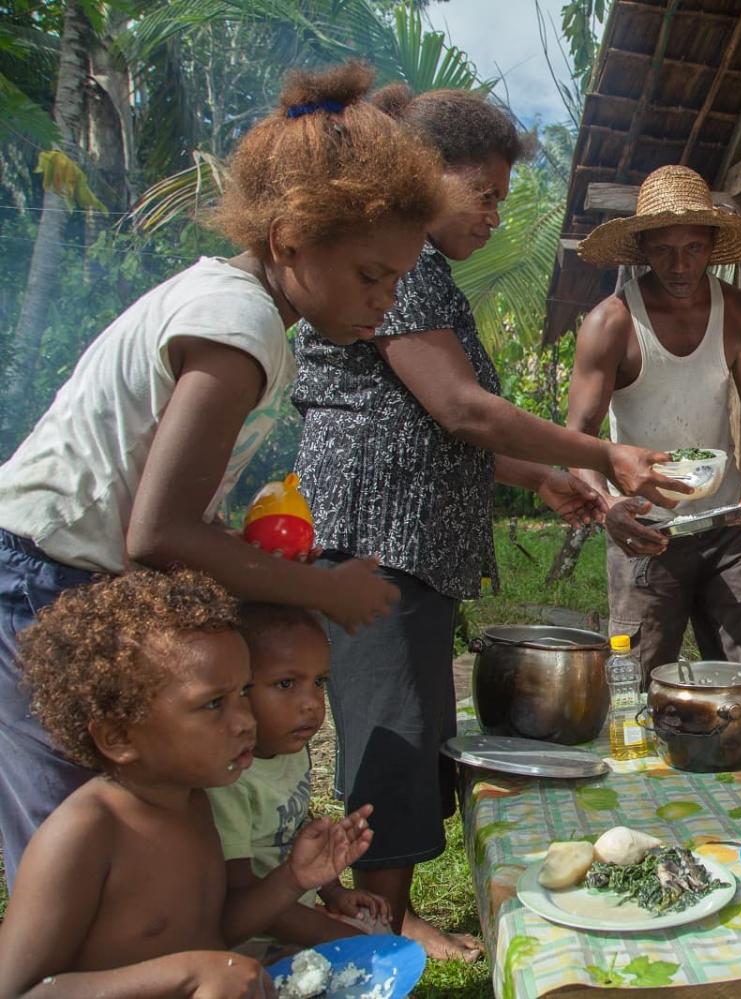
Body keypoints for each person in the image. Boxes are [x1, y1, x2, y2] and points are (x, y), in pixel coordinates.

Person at [0, 61, 444, 888]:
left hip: (73, 570)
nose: (385, 300)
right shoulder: (241, 324)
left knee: (123, 826)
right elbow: (159, 531)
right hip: (38, 575)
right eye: (370, 275)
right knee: (77, 837)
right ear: (288, 241)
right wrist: (324, 592)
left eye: (397, 280)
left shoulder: (242, 309)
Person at [291, 85, 676, 960]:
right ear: (425, 173)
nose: (498, 216)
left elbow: (439, 425)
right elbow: (463, 409)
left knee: (419, 726)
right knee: (390, 729)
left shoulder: (419, 272)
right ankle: (374, 928)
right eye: (488, 193)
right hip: (374, 539)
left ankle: (393, 912)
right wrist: (598, 457)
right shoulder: (404, 267)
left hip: (415, 544)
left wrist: (542, 476)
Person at [0, 570, 376, 997]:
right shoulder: (84, 833)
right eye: (214, 704)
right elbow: (19, 990)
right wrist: (188, 974)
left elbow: (218, 928)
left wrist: (292, 878)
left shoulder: (194, 804)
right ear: (118, 737)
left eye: (243, 694)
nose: (245, 721)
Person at [567, 164, 741, 683]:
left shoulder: (738, 316)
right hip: (645, 525)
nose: (680, 264)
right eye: (665, 249)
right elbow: (578, 436)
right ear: (642, 248)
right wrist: (609, 507)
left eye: (693, 248)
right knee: (638, 676)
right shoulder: (613, 323)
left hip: (726, 520)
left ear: (712, 245)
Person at [208, 603, 391, 953]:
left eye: (320, 682)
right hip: (253, 938)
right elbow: (240, 905)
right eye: (286, 683)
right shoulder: (229, 782)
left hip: (299, 913)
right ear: (237, 688)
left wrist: (335, 892)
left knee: (377, 928)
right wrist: (331, 935)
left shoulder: (291, 752)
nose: (311, 703)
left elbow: (291, 829)